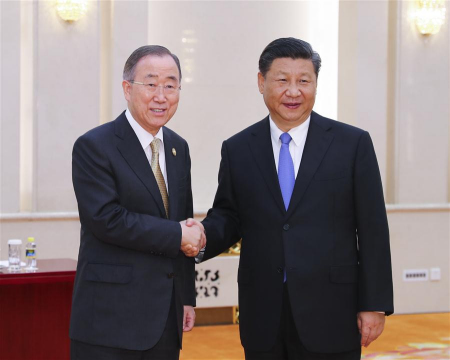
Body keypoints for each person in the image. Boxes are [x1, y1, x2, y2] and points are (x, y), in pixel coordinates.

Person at [197, 37, 394, 359]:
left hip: (332, 309)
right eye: (282, 80)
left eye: (304, 81)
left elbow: (372, 228)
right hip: (263, 309)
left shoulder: (352, 144)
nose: (294, 91)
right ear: (261, 83)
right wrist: (197, 238)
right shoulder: (238, 148)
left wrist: (374, 304)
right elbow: (229, 217)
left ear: (316, 84)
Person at [70, 45, 205, 360]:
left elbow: (182, 219)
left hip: (164, 318)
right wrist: (177, 236)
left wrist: (186, 296)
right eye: (151, 83)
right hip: (109, 319)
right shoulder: (95, 145)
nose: (161, 95)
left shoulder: (177, 148)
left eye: (170, 85)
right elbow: (106, 219)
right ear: (127, 89)